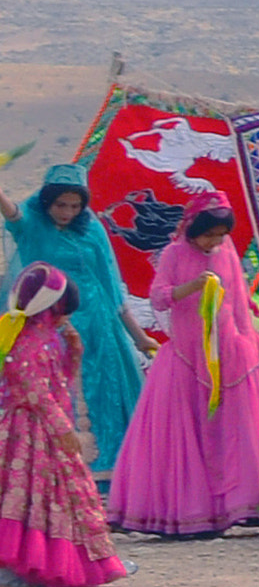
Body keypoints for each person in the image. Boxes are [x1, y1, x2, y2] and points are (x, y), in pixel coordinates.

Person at [107, 192, 259, 537]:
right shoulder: (174, 253)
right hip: (188, 357)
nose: (214, 241)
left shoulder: (226, 252)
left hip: (230, 353)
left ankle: (242, 505)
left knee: (237, 430)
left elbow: (240, 301)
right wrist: (191, 287)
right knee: (188, 432)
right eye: (208, 235)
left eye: (220, 235)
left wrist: (255, 345)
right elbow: (159, 296)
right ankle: (191, 511)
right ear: (192, 230)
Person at [0, 163, 151, 481]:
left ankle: (115, 471)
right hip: (51, 326)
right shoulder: (32, 226)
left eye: (75, 205)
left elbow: (111, 285)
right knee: (60, 393)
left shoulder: (92, 230)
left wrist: (137, 336)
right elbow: (13, 214)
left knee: (106, 395)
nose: (67, 212)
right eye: (60, 205)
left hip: (99, 326)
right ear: (46, 203)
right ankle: (66, 468)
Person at [0, 265, 128, 587]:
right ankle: (26, 567)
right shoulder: (27, 340)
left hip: (46, 428)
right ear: (49, 307)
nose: (64, 317)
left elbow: (59, 385)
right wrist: (62, 428)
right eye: (61, 310)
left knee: (51, 499)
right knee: (35, 496)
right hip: (31, 431)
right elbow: (33, 389)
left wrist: (73, 351)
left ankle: (44, 565)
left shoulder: (42, 337)